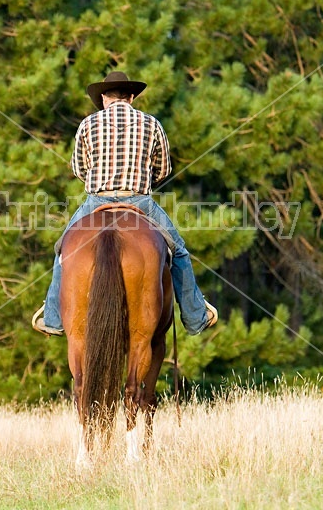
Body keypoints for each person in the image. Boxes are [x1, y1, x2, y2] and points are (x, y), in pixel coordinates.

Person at [32, 71, 218, 336]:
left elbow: (78, 168)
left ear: (105, 97)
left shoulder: (88, 124)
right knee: (178, 252)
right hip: (139, 201)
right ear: (131, 97)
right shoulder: (152, 124)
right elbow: (162, 170)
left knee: (63, 251)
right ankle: (194, 316)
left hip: (97, 200)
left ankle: (53, 319)